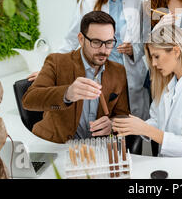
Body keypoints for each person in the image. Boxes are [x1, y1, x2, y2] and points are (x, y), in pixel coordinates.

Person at [28, 0, 150, 120]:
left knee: (129, 121)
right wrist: (48, 69)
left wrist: (133, 49)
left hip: (130, 75)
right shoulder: (88, 2)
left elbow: (146, 42)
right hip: (100, 72)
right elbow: (71, 39)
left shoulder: (138, 3)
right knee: (102, 121)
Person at [112, 24, 182, 157]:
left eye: (156, 56)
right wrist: (125, 125)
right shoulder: (169, 86)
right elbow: (157, 121)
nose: (153, 64)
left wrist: (145, 129)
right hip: (170, 164)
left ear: (176, 51)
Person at [22, 11, 130, 143]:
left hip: (96, 151)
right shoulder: (56, 61)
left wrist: (112, 124)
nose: (103, 50)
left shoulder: (118, 71)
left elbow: (122, 114)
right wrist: (67, 94)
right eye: (96, 42)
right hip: (56, 145)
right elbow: (29, 100)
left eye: (109, 42)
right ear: (81, 39)